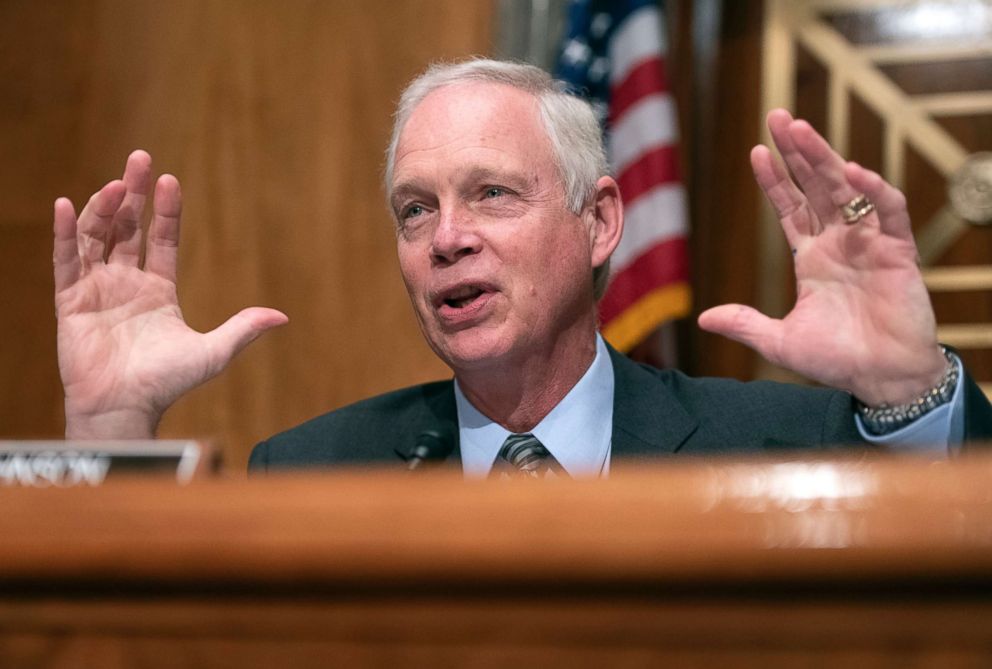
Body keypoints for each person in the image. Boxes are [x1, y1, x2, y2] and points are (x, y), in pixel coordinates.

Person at [53, 60, 992, 477]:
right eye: (415, 208)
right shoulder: (310, 471)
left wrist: (909, 391)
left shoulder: (789, 442)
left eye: (493, 194)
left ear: (600, 220)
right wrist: (111, 427)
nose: (445, 237)